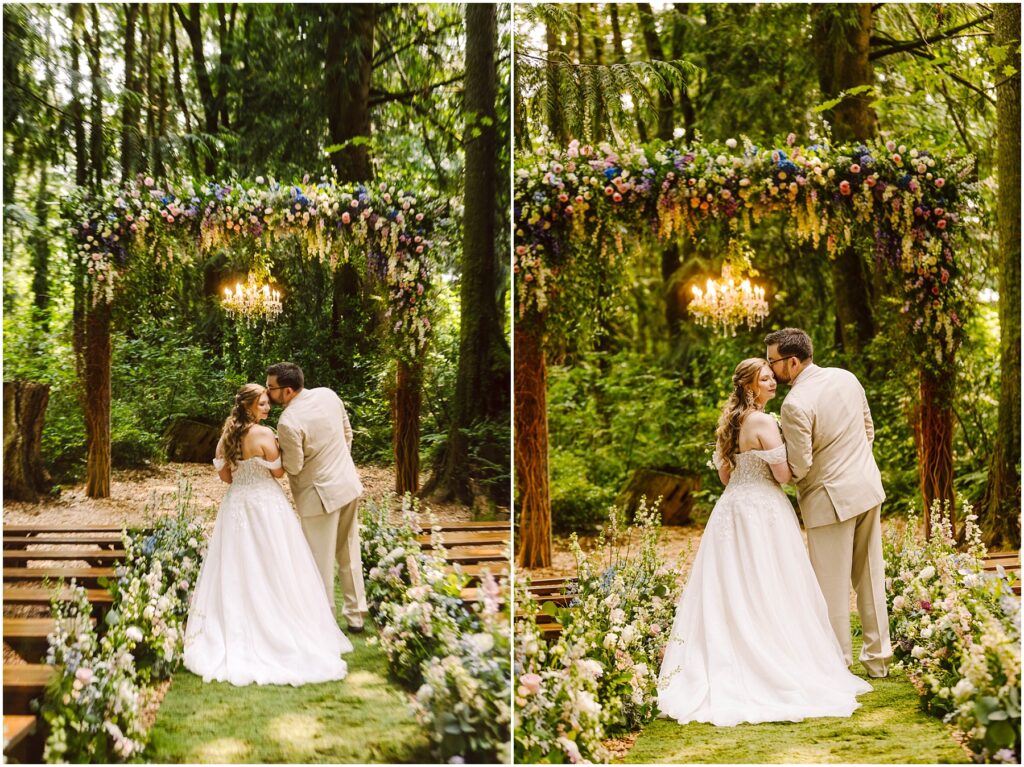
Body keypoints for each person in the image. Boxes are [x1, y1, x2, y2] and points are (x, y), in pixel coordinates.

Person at [657, 358, 871, 726]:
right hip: (763, 510)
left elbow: (726, 477)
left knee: (734, 586)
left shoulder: (731, 423)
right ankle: (770, 657)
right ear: (749, 386)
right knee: (770, 582)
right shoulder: (762, 422)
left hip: (732, 509)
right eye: (766, 379)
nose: (774, 382)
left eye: (773, 377)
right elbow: (785, 475)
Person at [183, 383, 352, 686]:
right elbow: (279, 472)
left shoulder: (225, 438)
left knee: (236, 565)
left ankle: (237, 625)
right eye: (262, 403)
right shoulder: (263, 434)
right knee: (276, 562)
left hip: (237, 503)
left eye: (267, 402)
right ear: (248, 406)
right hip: (266, 504)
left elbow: (225, 477)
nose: (267, 407)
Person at [765, 327, 892, 677]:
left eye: (772, 362)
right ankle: (879, 660)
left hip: (828, 499)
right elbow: (869, 430)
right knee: (870, 576)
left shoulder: (794, 404)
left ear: (792, 362)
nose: (770, 369)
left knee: (830, 587)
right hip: (866, 488)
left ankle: (838, 664)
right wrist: (854, 465)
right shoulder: (846, 378)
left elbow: (801, 464)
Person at [266, 362, 367, 632]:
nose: (267, 393)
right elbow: (348, 434)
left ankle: (325, 623)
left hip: (318, 497)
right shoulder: (328, 395)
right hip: (347, 485)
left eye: (271, 388)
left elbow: (295, 466)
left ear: (287, 391)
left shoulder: (287, 422)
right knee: (349, 554)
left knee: (318, 561)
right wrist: (337, 463)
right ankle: (356, 617)